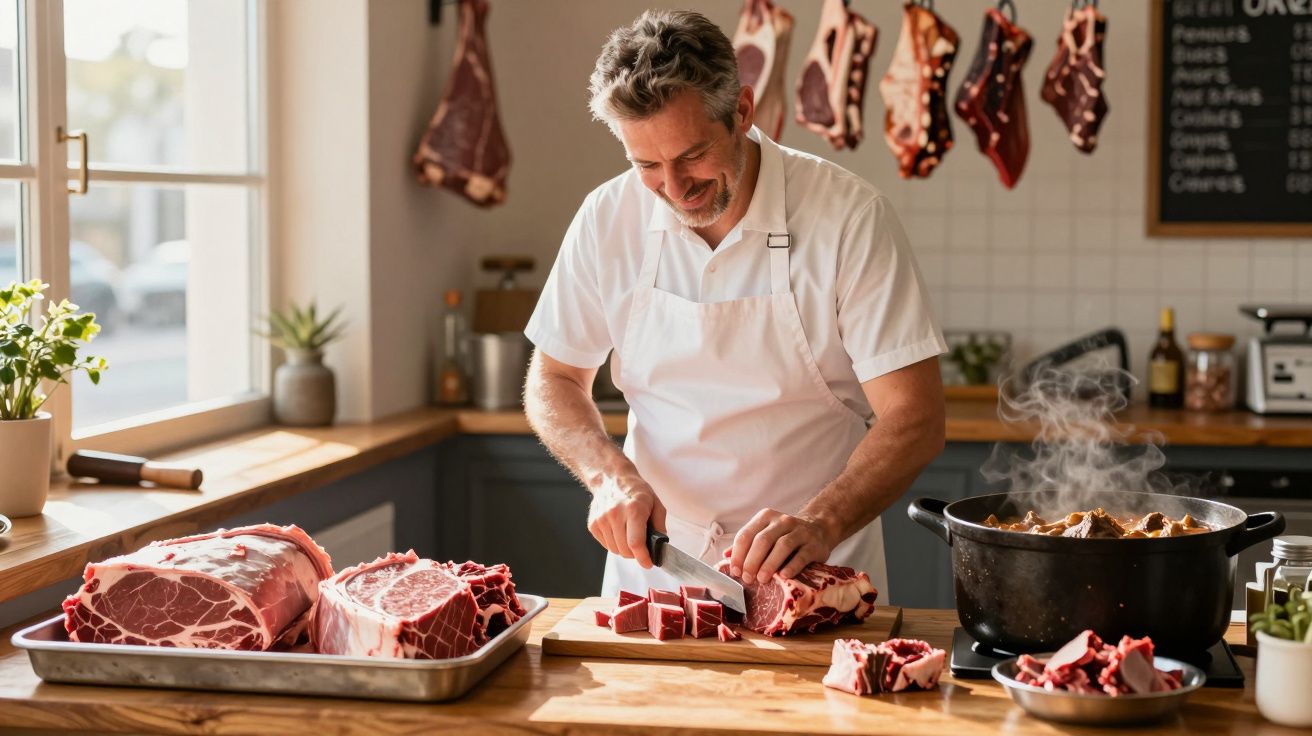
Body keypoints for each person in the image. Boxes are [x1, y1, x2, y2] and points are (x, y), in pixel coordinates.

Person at [524, 9, 946, 598]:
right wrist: (608, 477)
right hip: (656, 577)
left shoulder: (848, 218)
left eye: (692, 155)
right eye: (646, 164)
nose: (673, 188)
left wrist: (822, 522)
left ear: (742, 112)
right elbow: (554, 378)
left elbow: (916, 417)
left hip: (812, 581)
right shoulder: (606, 218)